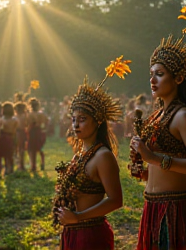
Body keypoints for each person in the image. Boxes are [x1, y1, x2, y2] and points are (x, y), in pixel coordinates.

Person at [130, 35, 186, 250]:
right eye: (151, 74)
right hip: (152, 205)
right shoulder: (158, 115)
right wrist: (144, 170)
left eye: (160, 74)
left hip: (175, 208)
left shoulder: (183, 116)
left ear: (178, 78)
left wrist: (154, 158)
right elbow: (162, 164)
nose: (153, 80)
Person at [53, 54, 131, 250]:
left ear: (97, 121)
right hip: (73, 231)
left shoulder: (103, 156)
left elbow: (116, 200)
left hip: (90, 234)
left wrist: (78, 217)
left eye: (82, 119)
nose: (76, 124)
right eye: (73, 119)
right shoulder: (80, 153)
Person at [0, 102, 18, 174]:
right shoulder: (15, 120)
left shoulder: (1, 120)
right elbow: (15, 131)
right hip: (11, 137)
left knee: (1, 154)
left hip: (3, 138)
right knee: (9, 154)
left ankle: (3, 168)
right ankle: (10, 168)